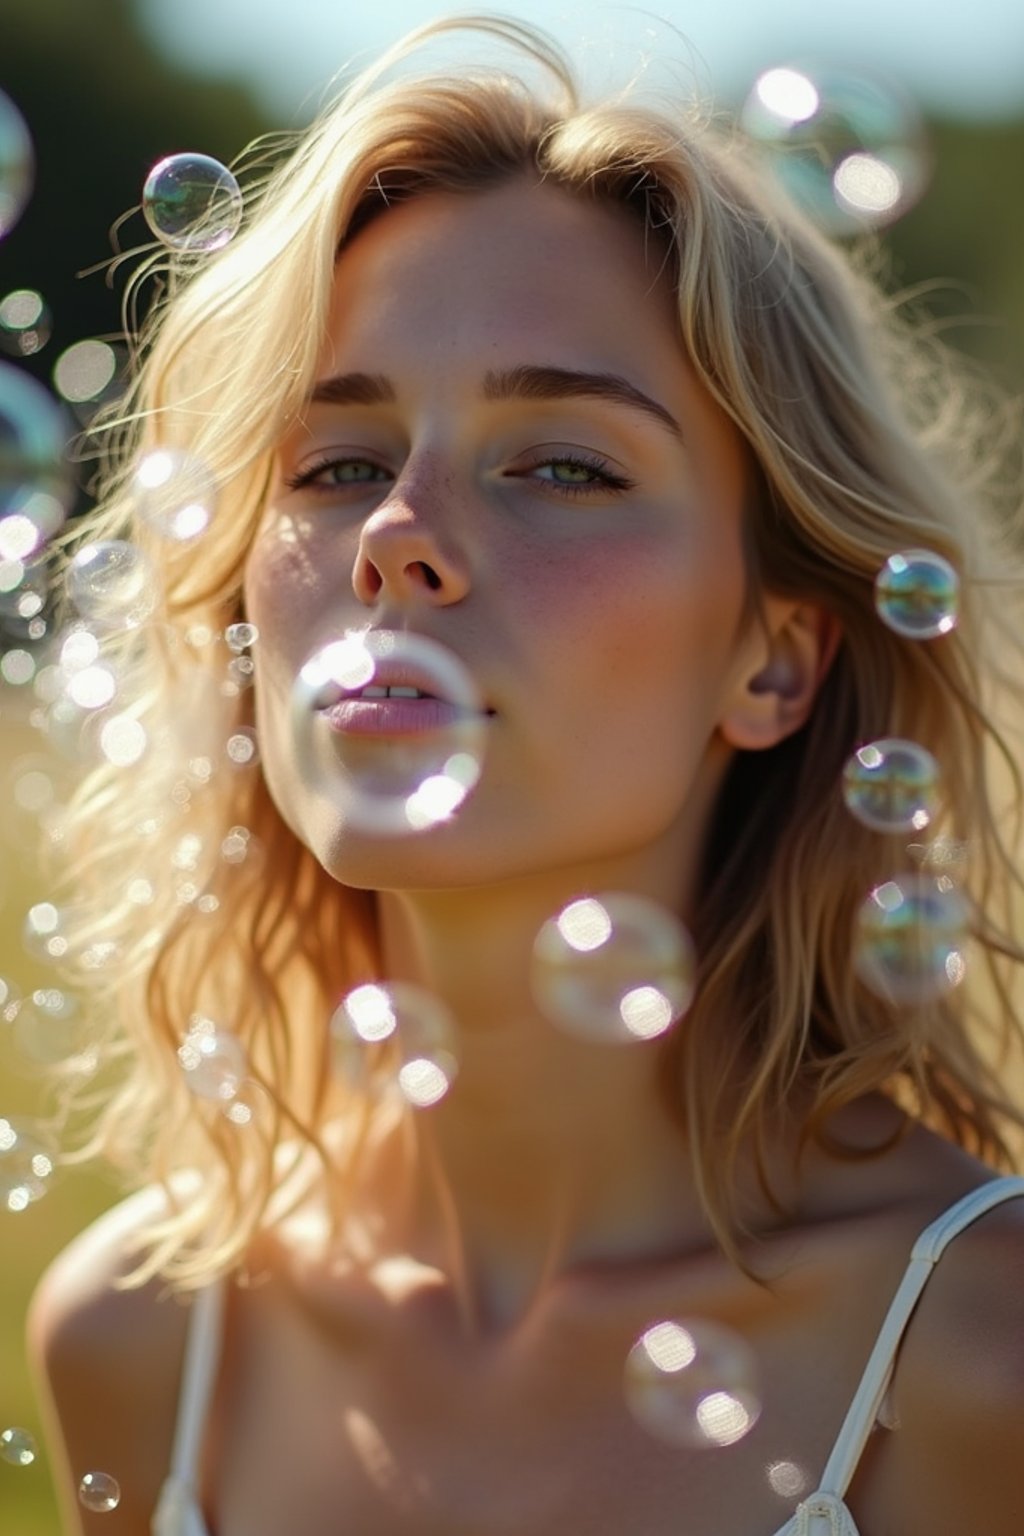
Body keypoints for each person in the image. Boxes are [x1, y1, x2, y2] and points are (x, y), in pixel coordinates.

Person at [24, 12, 1024, 1534]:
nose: (396, 536)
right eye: (338, 465)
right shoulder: (143, 1341)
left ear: (776, 660)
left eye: (562, 464)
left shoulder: (977, 1356)